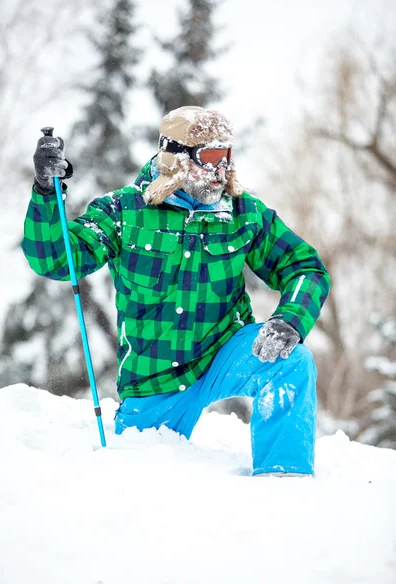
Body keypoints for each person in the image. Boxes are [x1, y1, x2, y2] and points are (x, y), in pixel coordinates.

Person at [22, 106, 331, 476]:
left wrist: (289, 320)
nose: (221, 170)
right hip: (156, 376)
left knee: (292, 362)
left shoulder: (241, 213)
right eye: (211, 157)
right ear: (176, 158)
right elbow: (55, 259)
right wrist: (45, 191)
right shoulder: (124, 212)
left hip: (224, 351)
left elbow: (303, 266)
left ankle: (285, 477)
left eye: (226, 156)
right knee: (145, 477)